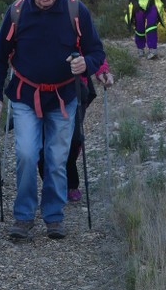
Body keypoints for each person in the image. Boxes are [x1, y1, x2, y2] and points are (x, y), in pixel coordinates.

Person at [0, 0, 106, 240]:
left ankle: (54, 216)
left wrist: (85, 65)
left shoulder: (76, 11)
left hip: (65, 96)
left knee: (56, 158)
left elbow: (96, 52)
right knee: (28, 154)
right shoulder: (16, 12)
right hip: (26, 96)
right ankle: (24, 217)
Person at [39, 59, 114, 202]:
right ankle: (52, 185)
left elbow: (91, 46)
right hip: (39, 91)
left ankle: (71, 183)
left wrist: (102, 71)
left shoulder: (76, 34)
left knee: (73, 139)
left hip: (76, 88)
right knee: (42, 144)